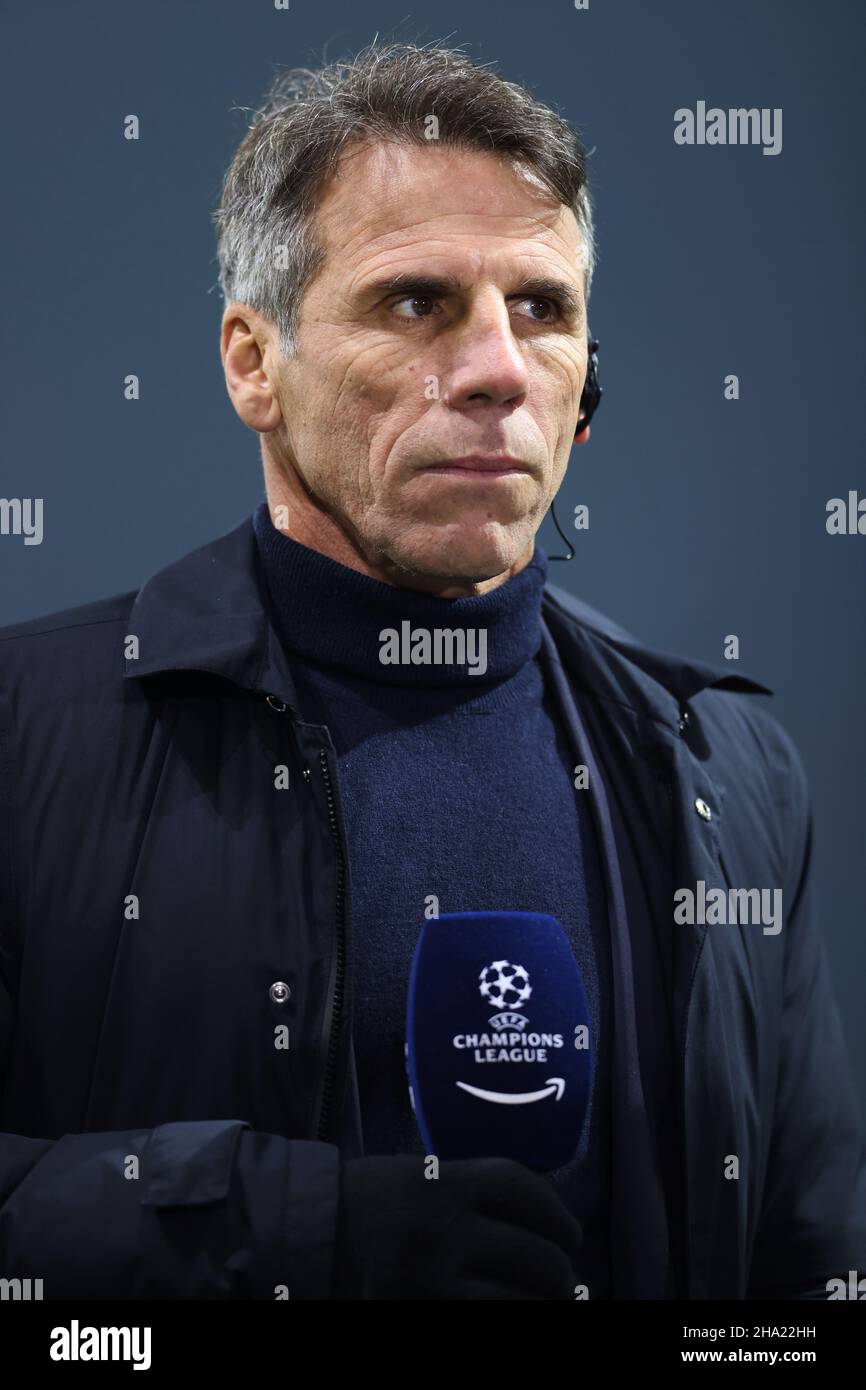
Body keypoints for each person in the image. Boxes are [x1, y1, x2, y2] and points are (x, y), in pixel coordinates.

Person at [0, 40, 863, 1301]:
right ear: (253, 362)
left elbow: (802, 1258)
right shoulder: (24, 732)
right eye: (416, 303)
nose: (498, 369)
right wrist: (297, 1235)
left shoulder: (725, 766)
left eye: (542, 308)